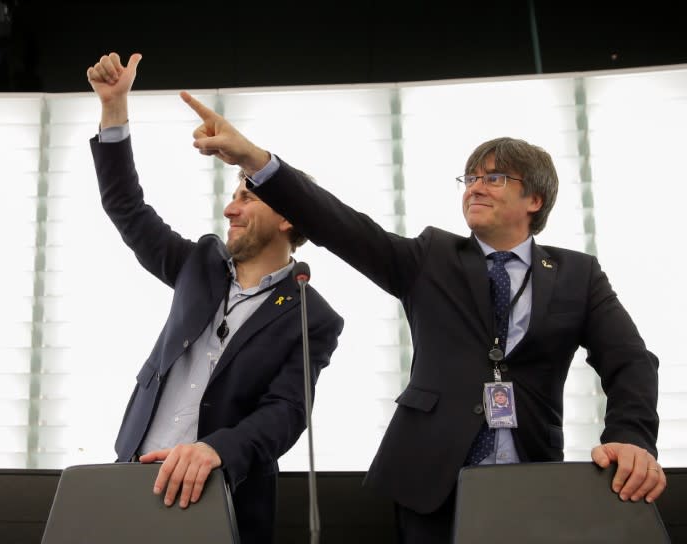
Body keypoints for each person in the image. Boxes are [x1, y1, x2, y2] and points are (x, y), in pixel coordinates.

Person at [176, 91, 667, 543]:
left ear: (534, 200)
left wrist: (630, 439)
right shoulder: (432, 257)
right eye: (470, 177)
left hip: (530, 478)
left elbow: (631, 360)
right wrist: (254, 161)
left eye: (494, 177)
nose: (476, 187)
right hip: (430, 480)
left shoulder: (577, 274)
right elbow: (338, 223)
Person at [85, 52, 344, 544]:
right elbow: (126, 206)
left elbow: (286, 411)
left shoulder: (314, 317)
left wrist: (216, 449)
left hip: (219, 494)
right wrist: (113, 109)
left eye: (247, 197)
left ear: (288, 217)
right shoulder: (197, 265)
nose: (231, 207)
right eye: (234, 195)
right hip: (132, 475)